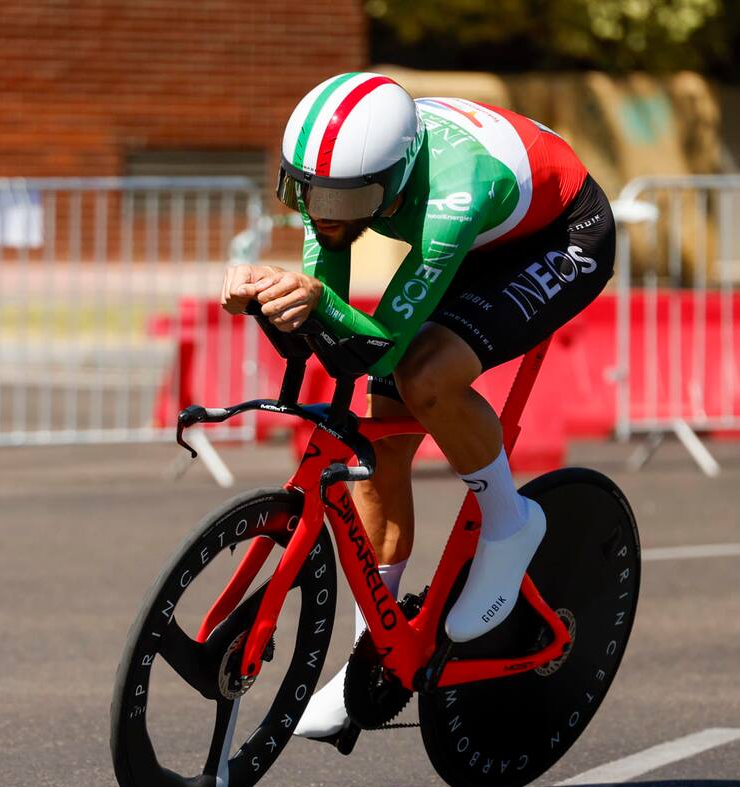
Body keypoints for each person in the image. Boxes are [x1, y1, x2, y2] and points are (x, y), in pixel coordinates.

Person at [220, 72, 615, 741]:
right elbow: (330, 307)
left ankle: (509, 522)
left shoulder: (456, 193)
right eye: (306, 191)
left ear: (396, 177)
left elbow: (379, 347)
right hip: (481, 239)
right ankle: (369, 657)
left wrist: (315, 302)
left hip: (562, 236)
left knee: (424, 375)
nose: (326, 212)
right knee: (378, 440)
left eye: (348, 198)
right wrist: (277, 296)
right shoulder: (340, 181)